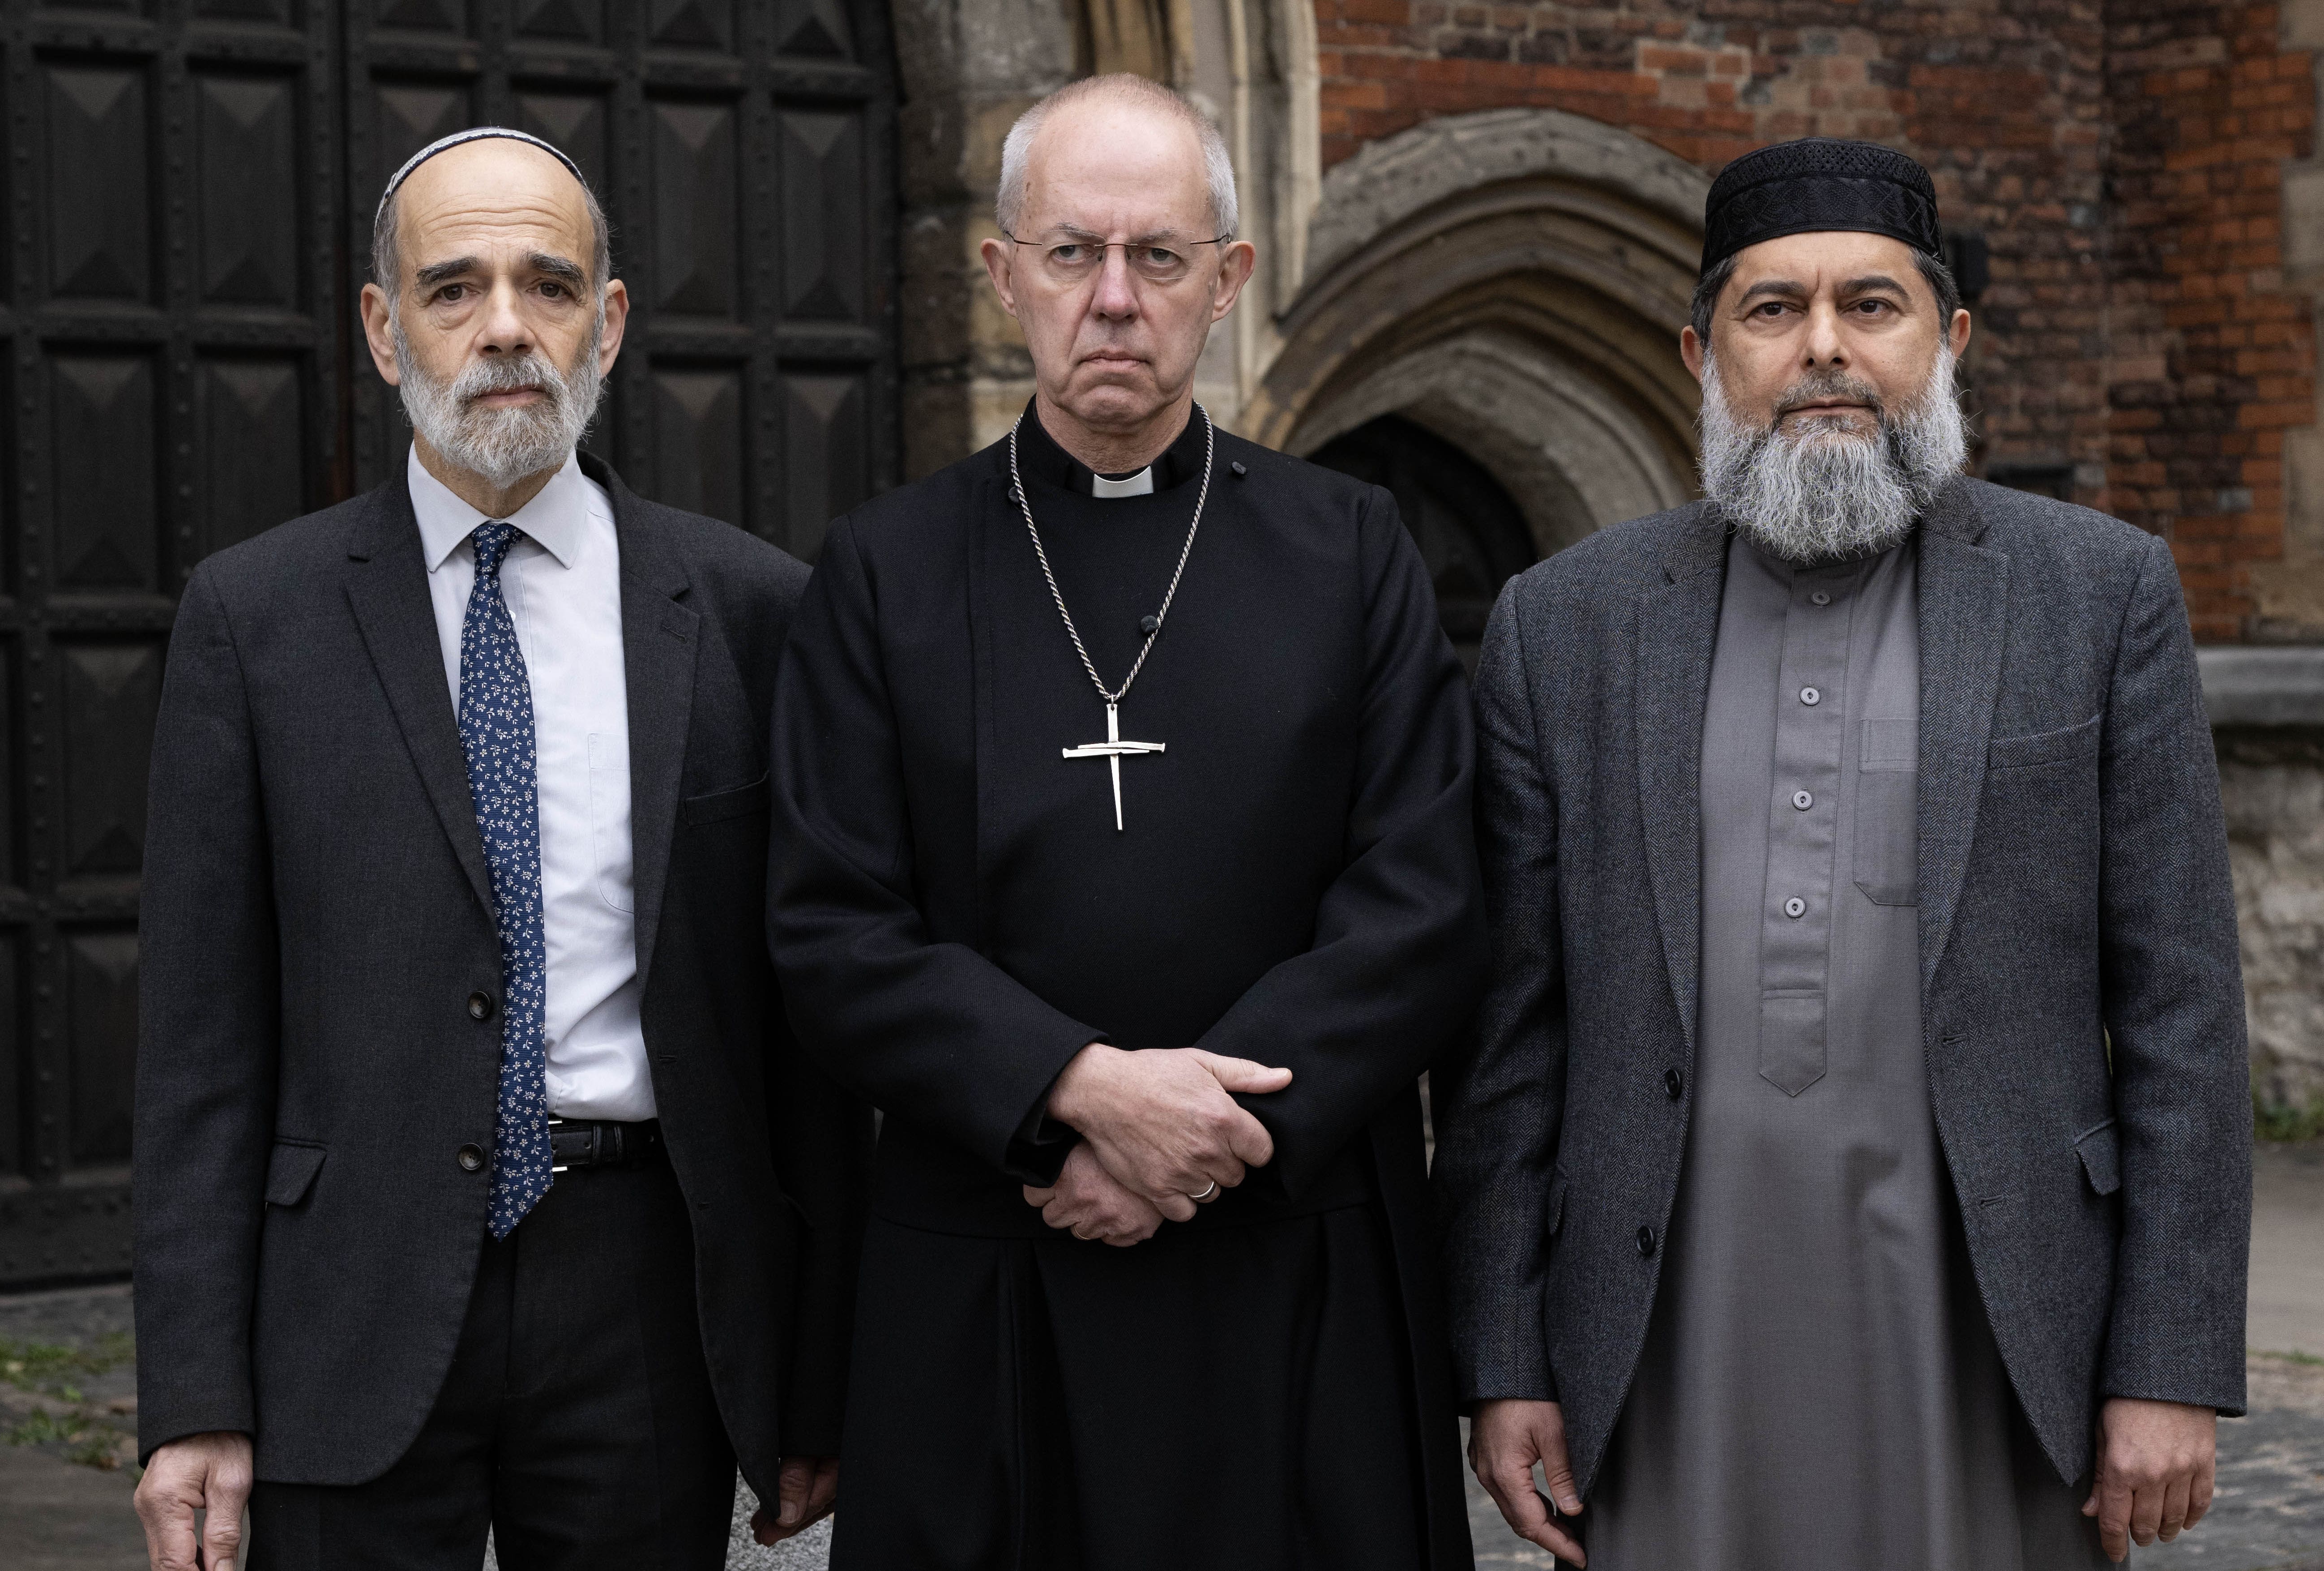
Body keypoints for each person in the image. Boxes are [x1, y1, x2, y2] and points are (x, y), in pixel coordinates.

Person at [1435, 137, 2252, 1570]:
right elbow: (1513, 1039)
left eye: (1872, 307)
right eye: (1772, 311)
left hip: (1994, 1327)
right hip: (1675, 1326)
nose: (1824, 348)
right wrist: (1505, 1358)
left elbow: (2183, 1010)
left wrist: (2170, 1364)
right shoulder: (1563, 624)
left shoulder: (2098, 593)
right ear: (1704, 351)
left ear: (1949, 338)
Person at [766, 73, 1483, 1571]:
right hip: (991, 1260)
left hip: (1297, 1260)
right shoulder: (883, 572)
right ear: (1004, 272)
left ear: (1225, 282)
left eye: (1158, 258)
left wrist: (1206, 1140)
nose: (1111, 299)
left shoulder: (1351, 549)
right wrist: (1077, 1089)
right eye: (1071, 252)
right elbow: (831, 928)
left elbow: (1420, 901)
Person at [130, 127, 867, 1571]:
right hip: (342, 1295)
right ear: (382, 325)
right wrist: (194, 1400)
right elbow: (201, 1050)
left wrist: (814, 1368)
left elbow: (808, 1042)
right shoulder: (253, 619)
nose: (506, 328)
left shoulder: (753, 612)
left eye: (548, 283)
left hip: (642, 1289)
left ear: (611, 318)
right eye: (455, 287)